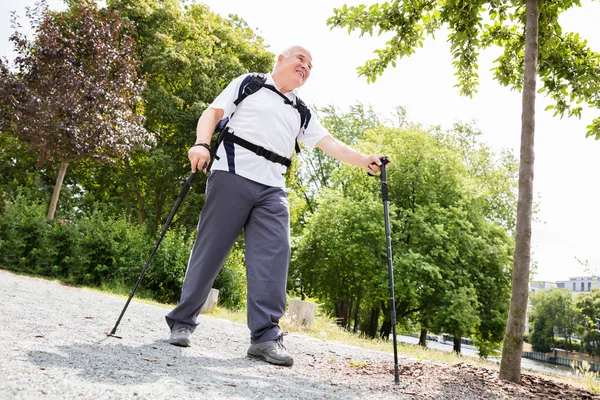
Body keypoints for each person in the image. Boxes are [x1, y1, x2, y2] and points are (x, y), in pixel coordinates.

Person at [165, 45, 387, 367]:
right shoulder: (249, 83)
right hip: (232, 174)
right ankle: (183, 322)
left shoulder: (301, 111)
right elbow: (212, 114)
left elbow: (330, 143)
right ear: (280, 60)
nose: (306, 66)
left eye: (311, 65)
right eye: (301, 59)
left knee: (274, 256)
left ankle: (265, 338)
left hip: (273, 189)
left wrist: (363, 159)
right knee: (210, 251)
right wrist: (201, 144)